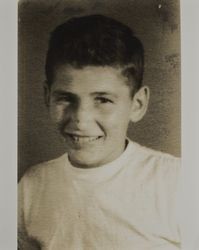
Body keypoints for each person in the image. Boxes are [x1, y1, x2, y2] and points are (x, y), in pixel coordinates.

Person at [18, 14, 181, 250]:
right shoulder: (31, 187)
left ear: (137, 104)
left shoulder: (177, 183)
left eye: (103, 100)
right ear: (47, 96)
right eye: (65, 98)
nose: (81, 119)